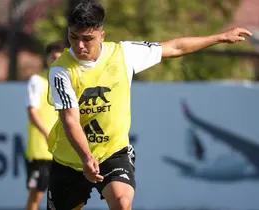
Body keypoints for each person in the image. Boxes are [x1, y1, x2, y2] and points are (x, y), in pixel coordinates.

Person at [46, 0, 252, 209]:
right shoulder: (60, 71)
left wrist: (219, 37)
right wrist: (86, 158)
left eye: (87, 39)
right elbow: (70, 120)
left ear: (102, 35)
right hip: (70, 159)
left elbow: (174, 47)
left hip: (112, 151)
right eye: (73, 37)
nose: (79, 45)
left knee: (121, 201)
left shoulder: (124, 54)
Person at [25, 41, 65, 210]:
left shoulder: (68, 82)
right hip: (42, 151)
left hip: (63, 151)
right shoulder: (37, 80)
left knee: (63, 197)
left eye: (59, 58)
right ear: (47, 59)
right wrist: (49, 134)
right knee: (37, 195)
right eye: (52, 58)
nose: (55, 61)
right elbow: (32, 112)